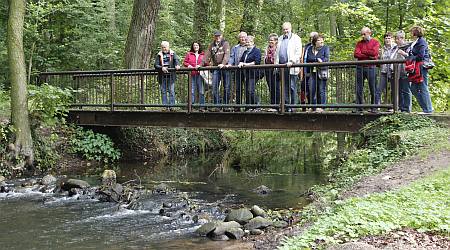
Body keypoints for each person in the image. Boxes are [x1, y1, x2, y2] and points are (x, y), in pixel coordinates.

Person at [398, 26, 433, 113]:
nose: (410, 33)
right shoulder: (415, 42)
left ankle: (428, 109)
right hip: (415, 67)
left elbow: (420, 56)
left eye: (411, 32)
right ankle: (425, 108)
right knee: (413, 88)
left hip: (421, 67)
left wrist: (407, 56)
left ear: (415, 33)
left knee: (423, 86)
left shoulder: (422, 42)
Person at [275, 22, 302, 111]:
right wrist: (276, 65)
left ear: (291, 28)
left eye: (287, 29)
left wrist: (292, 61)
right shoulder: (280, 39)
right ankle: (286, 106)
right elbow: (277, 53)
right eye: (284, 29)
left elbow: (298, 52)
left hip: (292, 66)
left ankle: (293, 107)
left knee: (292, 87)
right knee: (284, 87)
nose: (285, 31)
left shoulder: (296, 38)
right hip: (282, 67)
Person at [354, 27, 380, 112]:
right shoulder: (359, 43)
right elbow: (356, 54)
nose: (362, 36)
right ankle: (359, 107)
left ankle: (374, 107)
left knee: (373, 88)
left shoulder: (375, 42)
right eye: (361, 34)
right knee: (359, 88)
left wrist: (363, 52)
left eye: (364, 34)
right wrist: (369, 55)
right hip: (360, 67)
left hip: (371, 67)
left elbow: (375, 53)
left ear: (369, 33)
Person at [202, 30, 231, 107]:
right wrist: (200, 64)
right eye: (216, 36)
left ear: (221, 36)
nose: (217, 37)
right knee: (214, 87)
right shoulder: (212, 45)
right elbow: (207, 55)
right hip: (216, 68)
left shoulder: (225, 43)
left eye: (219, 36)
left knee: (226, 87)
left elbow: (227, 54)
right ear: (214, 37)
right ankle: (217, 105)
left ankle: (226, 106)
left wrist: (223, 63)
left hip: (225, 68)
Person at [306, 34, 330, 112]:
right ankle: (312, 106)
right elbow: (309, 58)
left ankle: (321, 107)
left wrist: (321, 60)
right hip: (312, 71)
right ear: (315, 42)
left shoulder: (325, 48)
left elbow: (326, 58)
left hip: (322, 71)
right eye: (319, 40)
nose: (321, 41)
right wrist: (317, 59)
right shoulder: (310, 48)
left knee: (321, 89)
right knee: (311, 89)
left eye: (322, 40)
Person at [154, 41, 180, 106]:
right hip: (162, 76)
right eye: (162, 47)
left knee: (171, 91)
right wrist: (161, 68)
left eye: (165, 47)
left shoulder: (173, 53)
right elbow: (156, 65)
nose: (164, 49)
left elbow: (176, 60)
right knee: (163, 92)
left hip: (171, 76)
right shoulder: (159, 55)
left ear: (168, 47)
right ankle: (165, 106)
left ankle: (172, 106)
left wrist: (177, 65)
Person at [238, 35, 261, 110]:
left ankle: (256, 105)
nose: (247, 43)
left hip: (254, 73)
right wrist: (241, 63)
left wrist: (246, 64)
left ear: (252, 42)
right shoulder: (245, 52)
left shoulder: (256, 51)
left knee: (250, 90)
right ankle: (248, 107)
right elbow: (241, 60)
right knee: (247, 90)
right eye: (246, 42)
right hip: (247, 74)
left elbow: (257, 61)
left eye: (248, 42)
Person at [376, 32, 398, 108]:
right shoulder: (382, 49)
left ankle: (393, 107)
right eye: (386, 38)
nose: (387, 40)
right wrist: (378, 56)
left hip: (393, 71)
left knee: (393, 90)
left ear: (392, 39)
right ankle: (376, 107)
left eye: (389, 38)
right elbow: (379, 61)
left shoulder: (396, 48)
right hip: (384, 71)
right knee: (379, 89)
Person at [228, 32, 247, 111]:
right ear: (239, 39)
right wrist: (229, 64)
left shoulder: (249, 46)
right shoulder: (235, 47)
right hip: (237, 70)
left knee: (248, 89)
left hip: (247, 71)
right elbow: (232, 57)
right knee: (238, 89)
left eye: (244, 37)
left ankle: (248, 106)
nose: (242, 39)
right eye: (241, 37)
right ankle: (237, 106)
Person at [183, 42, 205, 106]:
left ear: (199, 46)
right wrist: (188, 65)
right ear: (192, 47)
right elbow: (185, 62)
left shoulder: (203, 54)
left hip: (200, 75)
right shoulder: (189, 54)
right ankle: (191, 105)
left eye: (197, 45)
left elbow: (207, 63)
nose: (195, 46)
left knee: (201, 90)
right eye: (194, 45)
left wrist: (201, 66)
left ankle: (202, 106)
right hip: (191, 75)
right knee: (191, 90)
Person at [394, 30, 411, 112]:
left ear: (402, 38)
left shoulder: (408, 47)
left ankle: (407, 108)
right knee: (399, 90)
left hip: (406, 71)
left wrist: (404, 53)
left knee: (406, 90)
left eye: (397, 39)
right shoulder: (395, 47)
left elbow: (411, 57)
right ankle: (400, 107)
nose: (396, 40)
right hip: (397, 71)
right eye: (396, 38)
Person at [301, 31, 318, 106]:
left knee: (314, 88)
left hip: (314, 70)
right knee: (304, 87)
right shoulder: (306, 46)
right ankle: (308, 104)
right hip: (305, 70)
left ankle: (315, 105)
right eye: (310, 38)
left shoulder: (318, 46)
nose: (311, 39)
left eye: (313, 37)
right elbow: (302, 57)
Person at [263, 33, 280, 111]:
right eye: (269, 40)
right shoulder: (266, 48)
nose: (270, 42)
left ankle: (277, 105)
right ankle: (272, 104)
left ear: (276, 41)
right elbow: (265, 58)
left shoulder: (278, 48)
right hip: (267, 68)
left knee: (275, 87)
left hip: (275, 69)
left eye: (272, 40)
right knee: (270, 87)